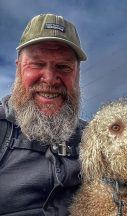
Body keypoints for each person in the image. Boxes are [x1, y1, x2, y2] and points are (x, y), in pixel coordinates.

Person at [0, 13, 87, 215]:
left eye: (63, 67)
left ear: (77, 74)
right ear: (18, 69)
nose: (49, 78)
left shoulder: (94, 138)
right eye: (37, 64)